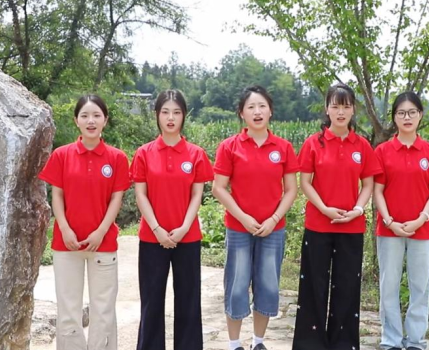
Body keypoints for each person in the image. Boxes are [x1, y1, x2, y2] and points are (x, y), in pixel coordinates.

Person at [292, 83, 382, 351]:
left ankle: (344, 344)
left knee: (347, 287)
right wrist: (324, 208)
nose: (340, 112)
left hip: (351, 227)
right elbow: (305, 182)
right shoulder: (313, 143)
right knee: (314, 285)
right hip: (318, 224)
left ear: (353, 110)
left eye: (346, 106)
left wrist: (358, 209)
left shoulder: (362, 145)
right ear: (327, 109)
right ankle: (310, 344)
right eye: (335, 106)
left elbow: (368, 184)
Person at [38, 94, 130, 350]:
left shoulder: (117, 158)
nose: (91, 121)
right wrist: (65, 228)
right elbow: (57, 195)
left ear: (105, 120)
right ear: (76, 120)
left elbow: (116, 198)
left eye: (96, 115)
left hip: (104, 243)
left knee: (103, 310)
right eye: (85, 116)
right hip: (66, 244)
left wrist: (101, 231)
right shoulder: (61, 155)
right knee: (68, 310)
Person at [212, 85, 299, 351]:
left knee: (268, 285)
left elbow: (292, 189)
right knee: (237, 285)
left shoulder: (283, 147)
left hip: (273, 230)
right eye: (251, 107)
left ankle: (258, 342)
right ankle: (234, 344)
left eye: (262, 106)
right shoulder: (229, 147)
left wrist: (273, 219)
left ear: (270, 111)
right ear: (242, 113)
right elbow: (218, 188)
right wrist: (243, 218)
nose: (257, 112)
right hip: (239, 229)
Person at [131, 90, 214, 350]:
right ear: (157, 115)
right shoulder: (144, 153)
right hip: (151, 237)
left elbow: (197, 194)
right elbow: (141, 195)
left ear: (184, 116)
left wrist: (184, 227)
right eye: (165, 112)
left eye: (176, 112)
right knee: (151, 302)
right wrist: (157, 228)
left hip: (187, 238)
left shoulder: (196, 153)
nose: (170, 118)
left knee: (188, 301)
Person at [373, 92, 429, 351]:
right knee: (389, 285)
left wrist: (421, 219)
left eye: (412, 112)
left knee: (420, 286)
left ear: (420, 115)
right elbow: (377, 191)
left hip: (422, 229)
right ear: (394, 117)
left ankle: (416, 340)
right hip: (389, 230)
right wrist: (389, 221)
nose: (406, 117)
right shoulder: (383, 151)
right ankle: (391, 340)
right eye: (401, 113)